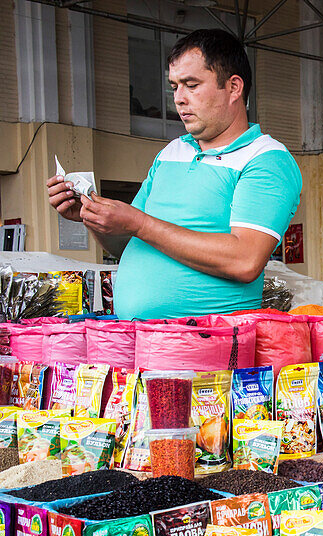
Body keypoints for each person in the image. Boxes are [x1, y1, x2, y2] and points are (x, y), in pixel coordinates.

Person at [47, 29, 302, 320]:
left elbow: (245, 260)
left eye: (191, 85)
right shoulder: (171, 152)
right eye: (174, 86)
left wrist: (139, 223)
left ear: (234, 88)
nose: (178, 99)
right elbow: (128, 244)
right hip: (143, 340)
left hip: (207, 344)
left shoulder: (266, 159)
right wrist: (91, 216)